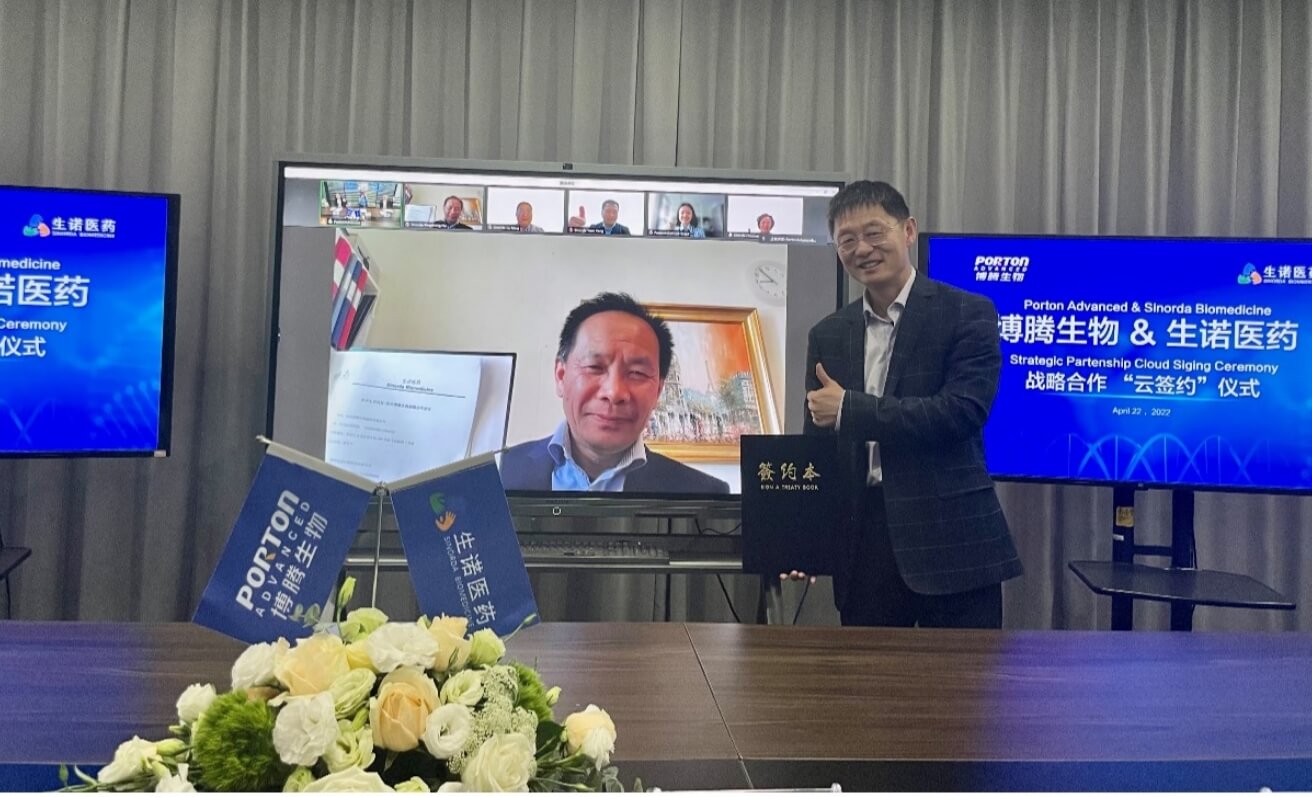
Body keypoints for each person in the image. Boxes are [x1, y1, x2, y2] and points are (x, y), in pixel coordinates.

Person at [789, 180, 1022, 629]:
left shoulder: (968, 313)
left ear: (909, 231)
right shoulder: (828, 334)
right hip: (865, 543)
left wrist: (851, 409)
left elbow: (961, 412)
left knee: (961, 693)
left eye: (875, 233)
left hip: (951, 539)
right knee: (870, 693)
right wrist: (803, 539)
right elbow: (818, 446)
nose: (863, 249)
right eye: (847, 239)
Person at [499, 292, 729, 494]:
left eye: (637, 373)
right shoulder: (494, 474)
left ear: (658, 391)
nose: (614, 392)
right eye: (594, 367)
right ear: (561, 376)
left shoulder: (704, 494)